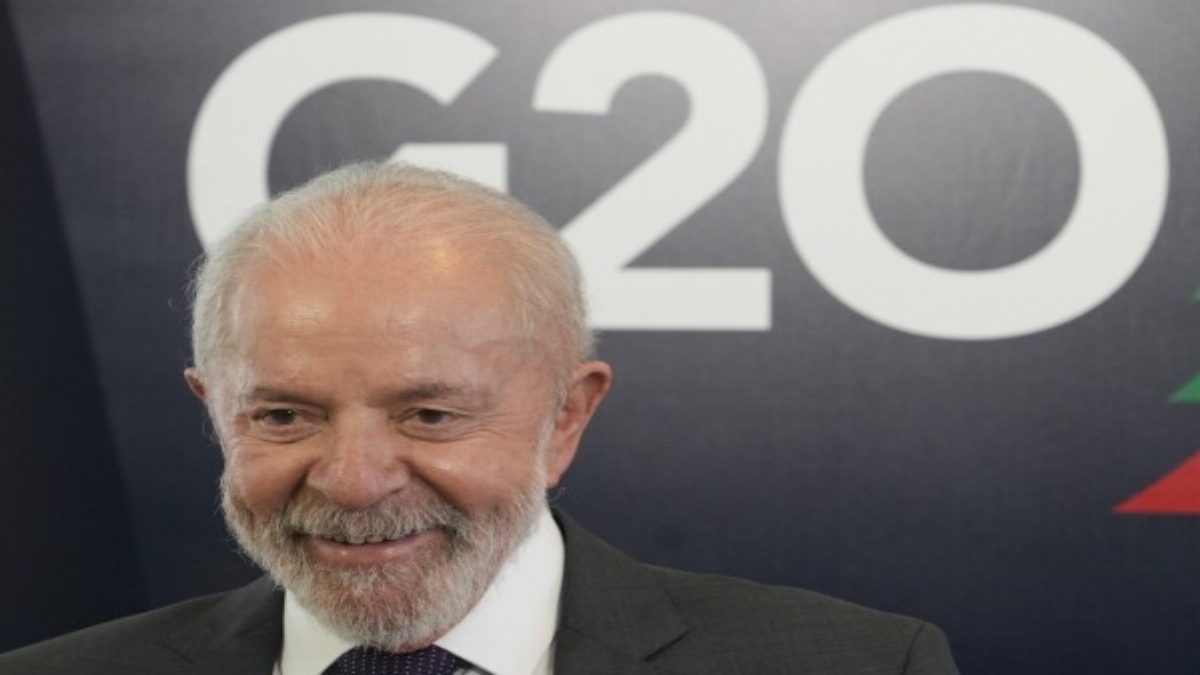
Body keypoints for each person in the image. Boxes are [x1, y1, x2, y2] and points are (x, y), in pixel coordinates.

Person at [0, 163, 959, 674]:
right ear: (216, 415)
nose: (353, 478)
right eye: (286, 415)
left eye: (427, 414)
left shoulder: (860, 668)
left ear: (566, 417)